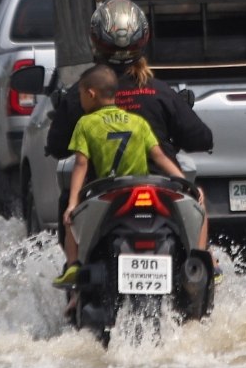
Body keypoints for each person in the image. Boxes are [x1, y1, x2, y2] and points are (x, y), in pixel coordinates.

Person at [46, 0, 217, 272]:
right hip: (164, 194)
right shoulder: (160, 93)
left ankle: (75, 275)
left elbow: (56, 146)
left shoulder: (83, 96)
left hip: (101, 196)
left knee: (69, 200)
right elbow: (201, 138)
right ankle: (202, 265)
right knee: (198, 200)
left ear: (96, 41)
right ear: (143, 39)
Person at [53, 63, 195, 287]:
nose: (80, 99)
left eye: (80, 94)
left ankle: (73, 267)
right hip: (143, 186)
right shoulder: (138, 122)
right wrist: (185, 184)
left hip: (106, 190)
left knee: (71, 222)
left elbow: (81, 164)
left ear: (91, 94)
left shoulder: (86, 124)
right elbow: (159, 157)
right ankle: (202, 261)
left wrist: (72, 204)